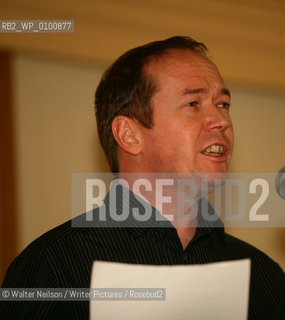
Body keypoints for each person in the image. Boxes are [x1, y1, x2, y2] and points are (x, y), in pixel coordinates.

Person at [1, 36, 284, 319]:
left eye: (223, 104)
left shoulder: (263, 277)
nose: (223, 121)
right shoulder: (55, 267)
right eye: (193, 103)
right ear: (129, 135)